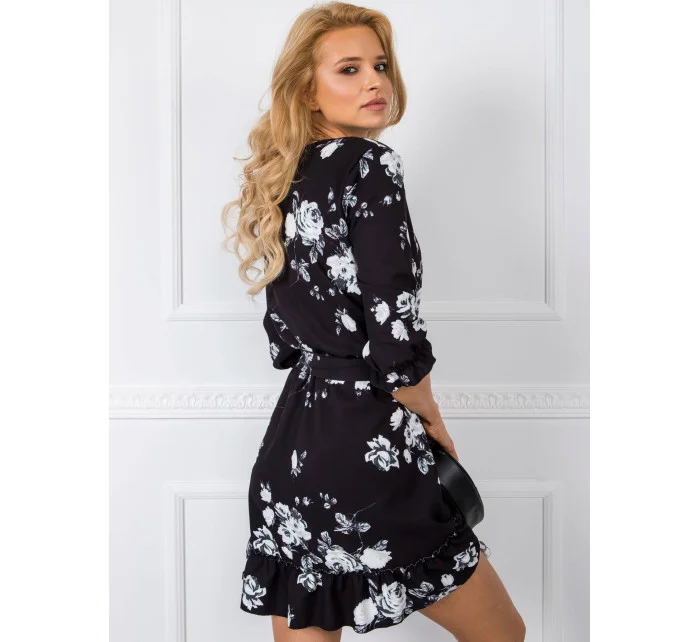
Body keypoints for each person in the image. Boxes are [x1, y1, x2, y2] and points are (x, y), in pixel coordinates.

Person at [222, 3, 525, 640]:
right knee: (503, 634)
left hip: (292, 445)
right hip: (366, 440)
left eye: (380, 66)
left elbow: (285, 336)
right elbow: (393, 320)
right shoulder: (369, 163)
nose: (374, 83)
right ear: (308, 90)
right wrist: (431, 418)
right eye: (349, 69)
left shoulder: (284, 177)